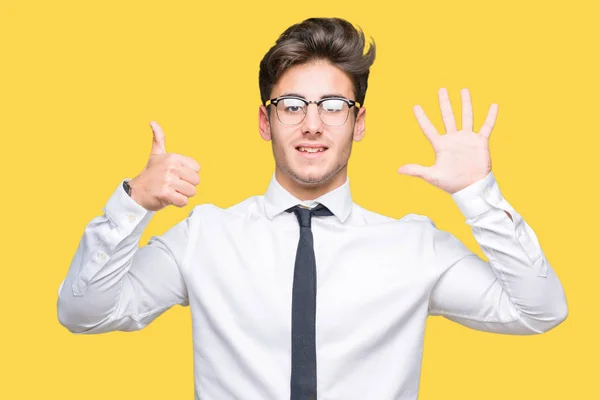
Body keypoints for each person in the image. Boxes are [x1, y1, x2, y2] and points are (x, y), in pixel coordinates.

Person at [57, 17, 568, 400]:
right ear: (265, 121)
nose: (312, 124)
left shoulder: (416, 247)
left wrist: (478, 194)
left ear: (359, 122)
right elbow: (83, 313)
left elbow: (539, 311)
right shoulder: (205, 236)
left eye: (332, 106)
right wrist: (132, 204)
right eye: (292, 105)